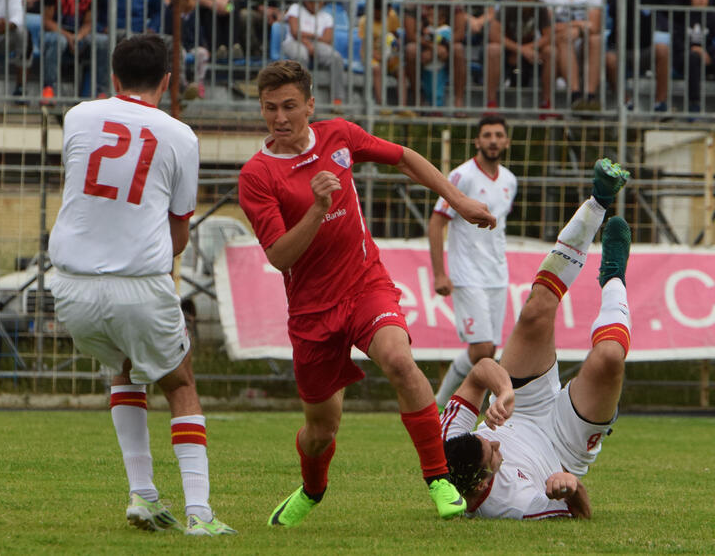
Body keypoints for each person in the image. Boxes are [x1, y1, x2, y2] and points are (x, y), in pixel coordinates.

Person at [237, 59, 498, 528]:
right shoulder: (257, 175)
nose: (280, 118)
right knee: (320, 430)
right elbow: (279, 256)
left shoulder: (339, 135)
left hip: (364, 284)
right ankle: (312, 490)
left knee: (399, 360)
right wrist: (318, 208)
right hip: (312, 312)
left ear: (309, 106)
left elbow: (404, 157)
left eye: (290, 106)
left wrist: (456, 201)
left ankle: (438, 477)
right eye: (270, 108)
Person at [47, 34, 236, 537]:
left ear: (113, 77)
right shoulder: (180, 135)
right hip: (137, 283)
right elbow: (178, 232)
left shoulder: (77, 117)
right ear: (167, 81)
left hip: (70, 286)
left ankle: (143, 496)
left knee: (124, 370)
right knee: (180, 383)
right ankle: (199, 513)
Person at [442, 159, 632, 520]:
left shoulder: (449, 444)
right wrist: (571, 487)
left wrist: (505, 390)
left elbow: (480, 370)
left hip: (521, 406)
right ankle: (614, 278)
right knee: (609, 359)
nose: (494, 440)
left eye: (484, 439)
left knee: (535, 310)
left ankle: (598, 201)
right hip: (565, 445)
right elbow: (582, 515)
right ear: (483, 484)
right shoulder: (512, 507)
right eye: (491, 453)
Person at [429, 114, 517, 407]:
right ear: (477, 141)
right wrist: (440, 274)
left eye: (498, 135)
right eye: (487, 135)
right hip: (467, 273)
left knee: (489, 349)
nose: (493, 141)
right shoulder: (461, 176)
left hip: (497, 274)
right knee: (481, 348)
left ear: (506, 141)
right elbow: (436, 222)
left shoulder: (509, 180)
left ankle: (452, 404)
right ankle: (443, 402)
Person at [536, 0, 603, 112]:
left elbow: (594, 26)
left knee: (596, 39)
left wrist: (577, 30)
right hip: (557, 43)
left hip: (583, 44)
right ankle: (575, 94)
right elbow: (549, 27)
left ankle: (590, 95)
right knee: (564, 37)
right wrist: (579, 25)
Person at [40, 0, 109, 101]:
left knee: (103, 41)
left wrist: (78, 36)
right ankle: (49, 89)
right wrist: (68, 36)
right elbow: (47, 21)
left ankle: (100, 91)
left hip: (81, 35)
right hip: (56, 34)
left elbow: (89, 23)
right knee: (57, 41)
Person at [604, 0, 671, 113]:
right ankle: (626, 102)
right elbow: (612, 10)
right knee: (609, 59)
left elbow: (672, 5)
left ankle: (660, 102)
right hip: (621, 48)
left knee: (662, 49)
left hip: (645, 48)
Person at [402, 0, 467, 110]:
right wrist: (432, 49)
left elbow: (460, 31)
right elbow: (411, 34)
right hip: (423, 46)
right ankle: (418, 98)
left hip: (448, 45)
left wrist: (443, 46)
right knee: (411, 50)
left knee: (459, 49)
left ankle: (459, 101)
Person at [448, 0, 502, 107]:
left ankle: (491, 101)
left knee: (494, 46)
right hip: (456, 25)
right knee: (457, 46)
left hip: (482, 26)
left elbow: (491, 11)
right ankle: (459, 99)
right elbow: (450, 8)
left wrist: (479, 21)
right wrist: (468, 19)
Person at [280, 0, 345, 106]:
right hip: (294, 43)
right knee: (301, 55)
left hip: (316, 45)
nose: (316, 4)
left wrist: (306, 37)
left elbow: (327, 39)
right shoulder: (295, 9)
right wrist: (311, 38)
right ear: (305, 0)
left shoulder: (327, 17)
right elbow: (295, 32)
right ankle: (303, 98)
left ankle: (337, 99)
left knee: (336, 58)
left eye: (319, 1)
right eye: (312, 1)